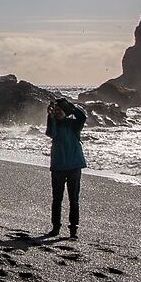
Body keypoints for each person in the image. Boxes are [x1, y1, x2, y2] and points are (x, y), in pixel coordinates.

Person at [45, 94, 88, 239]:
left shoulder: (73, 124)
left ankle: (73, 229)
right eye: (56, 111)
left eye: (60, 111)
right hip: (58, 166)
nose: (58, 113)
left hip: (74, 166)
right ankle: (55, 228)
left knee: (73, 199)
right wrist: (50, 117)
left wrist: (69, 105)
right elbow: (51, 133)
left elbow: (82, 117)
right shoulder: (54, 124)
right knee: (57, 199)